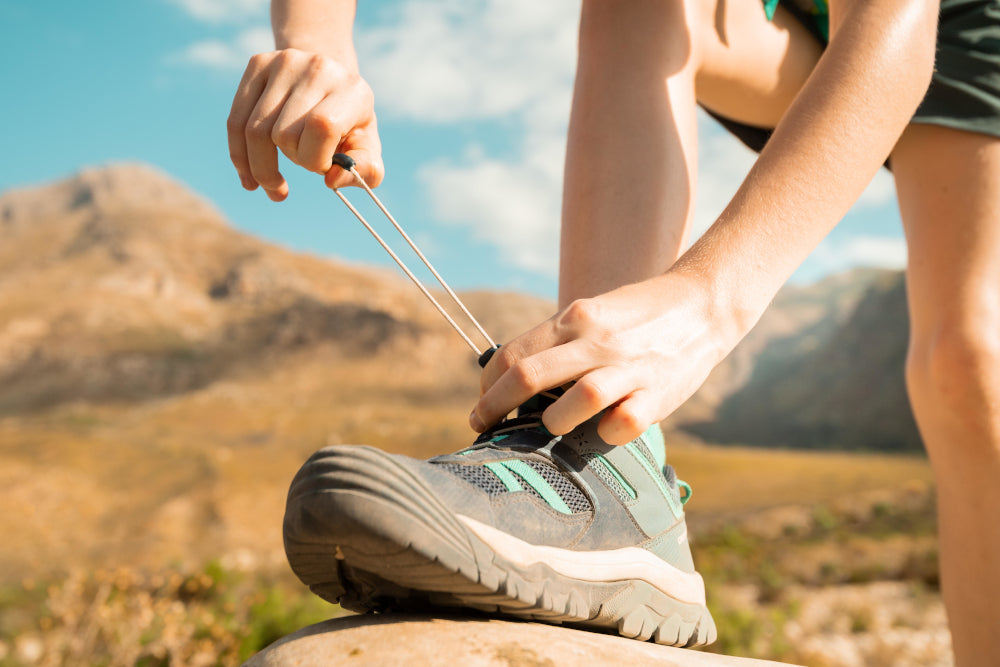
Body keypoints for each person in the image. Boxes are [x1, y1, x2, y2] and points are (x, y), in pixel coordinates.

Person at [228, 0, 1000, 663]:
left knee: (969, 363)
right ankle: (605, 465)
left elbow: (896, 24)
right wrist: (317, 46)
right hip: (782, 23)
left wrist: (707, 301)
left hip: (958, 26)